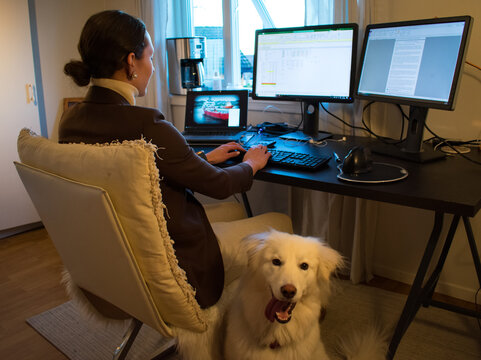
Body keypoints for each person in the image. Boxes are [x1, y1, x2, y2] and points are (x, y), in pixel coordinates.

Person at [59, 10, 271, 308]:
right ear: (131, 61)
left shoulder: (70, 121)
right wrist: (251, 163)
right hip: (173, 263)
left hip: (114, 260)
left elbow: (137, 176)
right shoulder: (148, 125)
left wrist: (201, 158)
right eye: (151, 57)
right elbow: (221, 186)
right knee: (280, 220)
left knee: (234, 214)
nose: (154, 68)